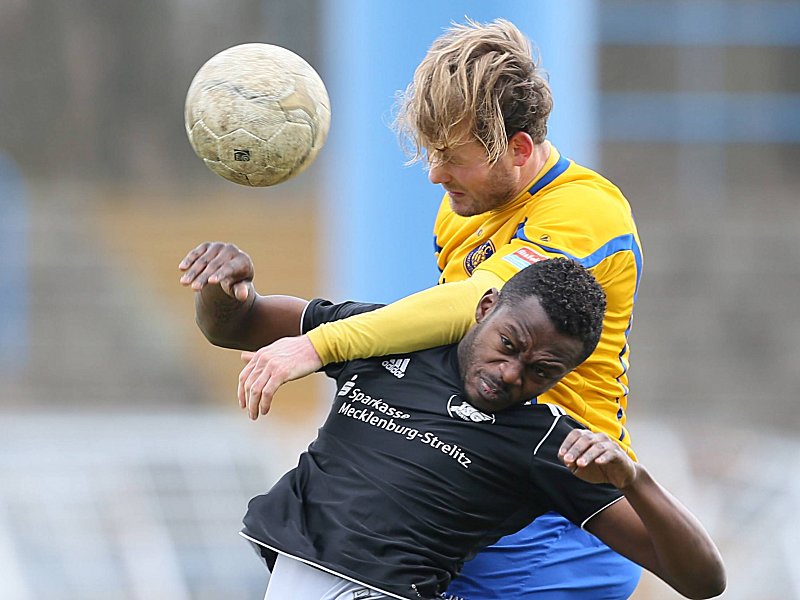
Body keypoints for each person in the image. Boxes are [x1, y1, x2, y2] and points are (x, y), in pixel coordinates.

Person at [179, 18, 644, 599]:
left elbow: (466, 303)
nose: (434, 174)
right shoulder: (462, 211)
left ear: (519, 149)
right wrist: (229, 301)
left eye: (453, 157)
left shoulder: (585, 212)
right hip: (463, 495)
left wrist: (318, 346)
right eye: (430, 153)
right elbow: (450, 336)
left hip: (554, 518)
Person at [187, 257, 726, 600]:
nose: (511, 374)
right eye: (509, 346)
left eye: (542, 371)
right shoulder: (386, 337)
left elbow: (704, 582)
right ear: (485, 308)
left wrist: (635, 481)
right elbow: (236, 324)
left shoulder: (544, 441)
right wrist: (221, 288)